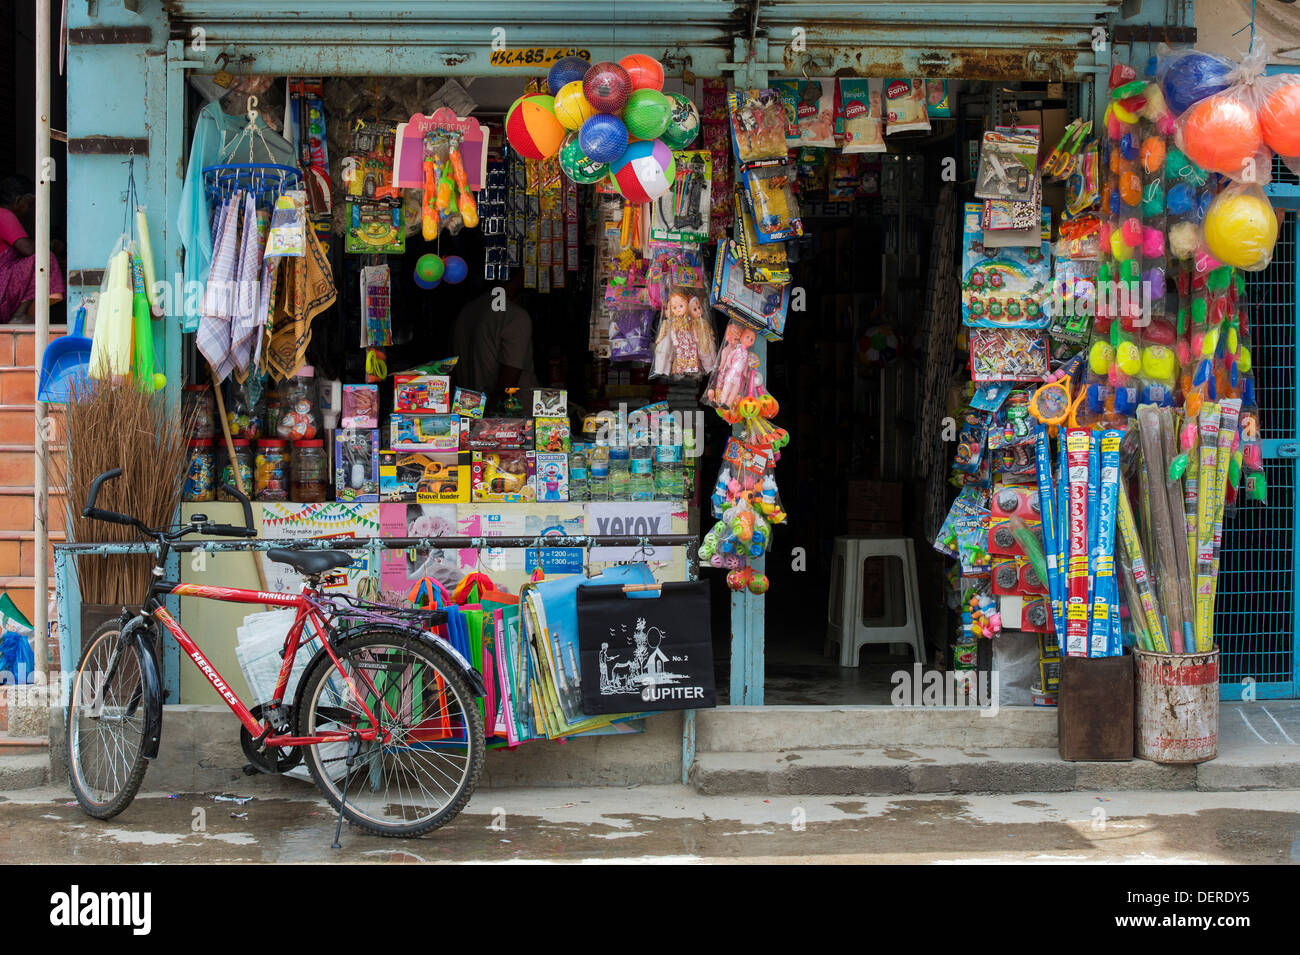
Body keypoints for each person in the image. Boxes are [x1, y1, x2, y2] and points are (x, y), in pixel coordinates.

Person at [450, 270, 537, 397]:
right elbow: (507, 387)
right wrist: (491, 413)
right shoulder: (515, 316)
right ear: (522, 275)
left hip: (469, 408)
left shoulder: (467, 310)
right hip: (509, 414)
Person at [0, 175, 65, 323]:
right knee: (45, 259)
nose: (30, 209)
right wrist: (50, 245)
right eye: (30, 203)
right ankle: (19, 316)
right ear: (18, 200)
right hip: (3, 289)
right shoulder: (5, 215)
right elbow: (28, 249)